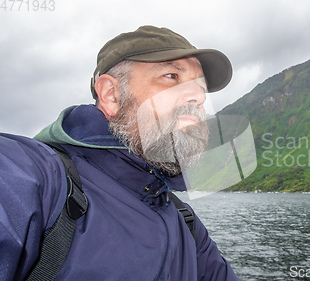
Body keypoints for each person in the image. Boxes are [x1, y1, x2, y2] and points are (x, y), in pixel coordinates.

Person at [0, 25, 240, 280]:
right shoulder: (37, 177)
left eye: (200, 87)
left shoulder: (186, 224)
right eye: (171, 76)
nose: (198, 96)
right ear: (111, 95)